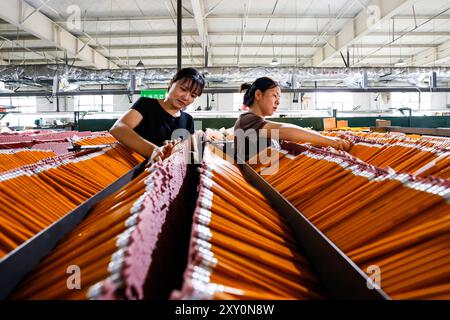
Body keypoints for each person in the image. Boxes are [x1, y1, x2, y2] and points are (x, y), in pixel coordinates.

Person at [234, 76, 350, 161]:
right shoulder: (246, 121)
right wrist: (330, 141)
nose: (278, 101)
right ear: (258, 95)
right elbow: (285, 130)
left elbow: (283, 144)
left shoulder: (259, 123)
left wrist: (315, 147)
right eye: (274, 95)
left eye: (279, 97)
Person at [110, 67, 205, 160]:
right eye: (183, 89)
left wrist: (175, 148)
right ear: (171, 83)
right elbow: (118, 128)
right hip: (140, 170)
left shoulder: (188, 120)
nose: (186, 97)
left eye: (193, 95)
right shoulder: (147, 104)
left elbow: (188, 151)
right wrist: (154, 151)